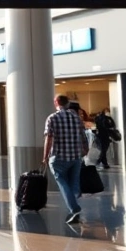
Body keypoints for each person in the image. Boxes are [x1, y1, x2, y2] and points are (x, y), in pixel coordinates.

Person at [41, 94, 90, 224]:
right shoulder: (76, 118)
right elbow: (83, 134)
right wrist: (85, 148)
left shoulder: (52, 118)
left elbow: (49, 138)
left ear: (56, 102)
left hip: (58, 157)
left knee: (62, 183)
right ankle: (74, 206)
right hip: (75, 156)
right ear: (67, 103)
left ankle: (74, 209)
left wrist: (45, 156)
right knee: (73, 184)